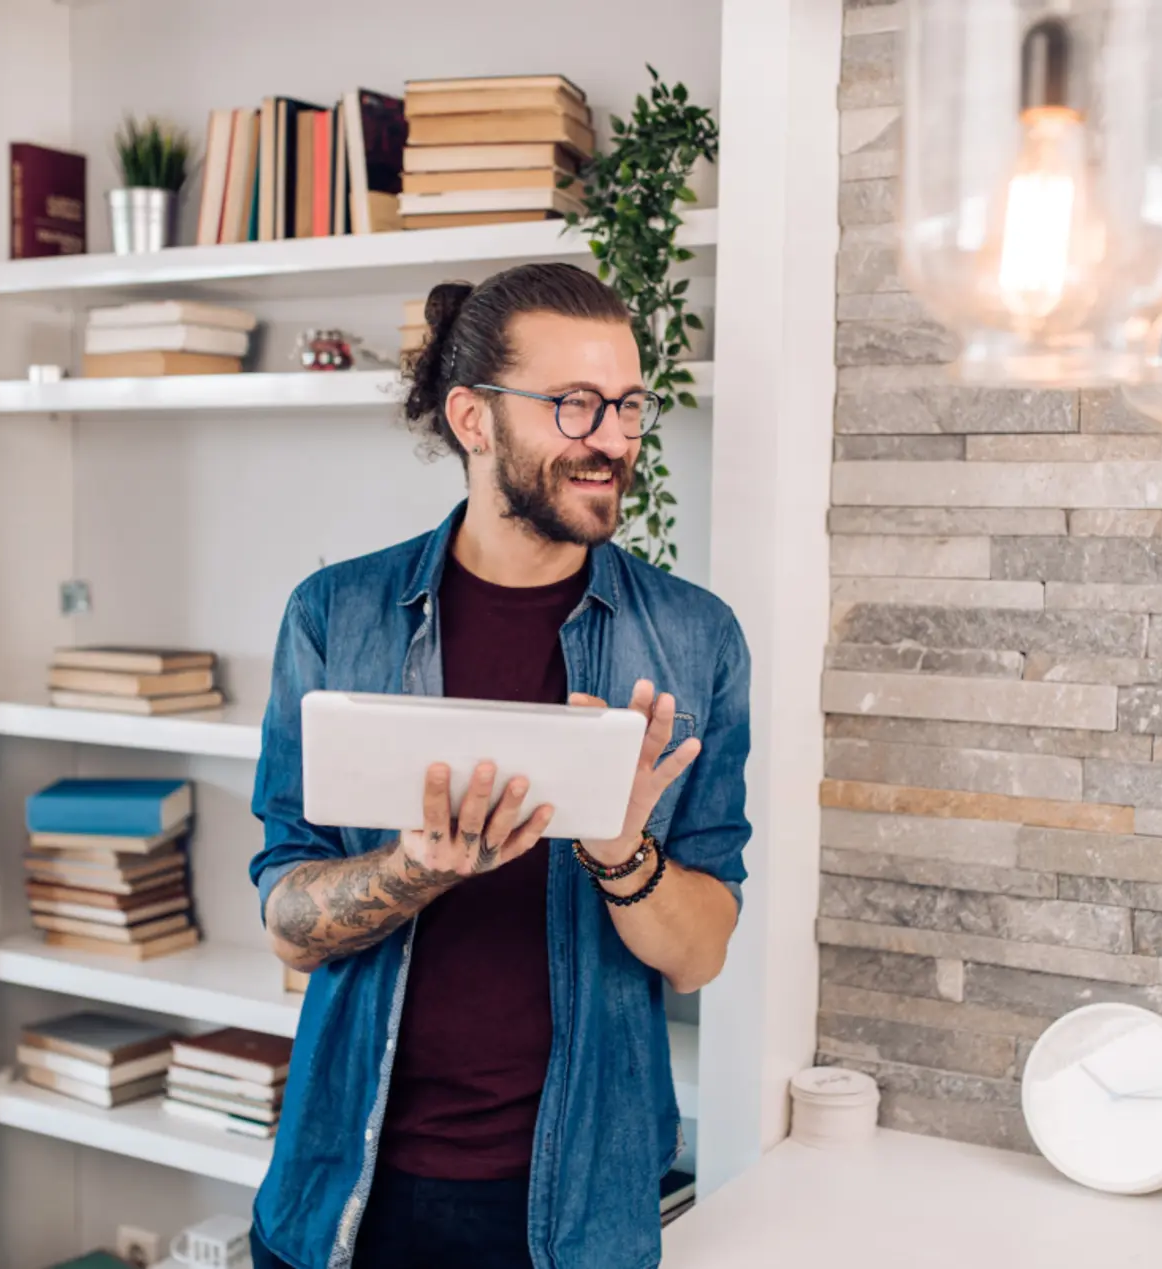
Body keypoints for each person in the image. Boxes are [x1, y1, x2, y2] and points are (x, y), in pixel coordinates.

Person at [246, 261, 752, 1269]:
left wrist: (621, 850)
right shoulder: (334, 619)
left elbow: (699, 955)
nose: (613, 438)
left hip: (578, 1211)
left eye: (628, 406)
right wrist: (414, 869)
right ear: (473, 420)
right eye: (574, 406)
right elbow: (290, 928)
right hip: (344, 1193)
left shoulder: (695, 643)